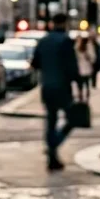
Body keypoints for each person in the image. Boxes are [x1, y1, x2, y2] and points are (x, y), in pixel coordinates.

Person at [31, 13, 81, 170]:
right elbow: (72, 66)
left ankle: (52, 156)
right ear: (65, 23)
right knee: (72, 119)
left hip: (47, 86)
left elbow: (35, 63)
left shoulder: (43, 41)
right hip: (62, 87)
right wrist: (79, 86)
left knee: (51, 121)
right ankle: (53, 146)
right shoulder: (66, 41)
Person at [75, 34, 95, 101]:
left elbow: (92, 58)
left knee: (86, 81)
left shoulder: (89, 46)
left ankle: (87, 93)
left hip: (86, 67)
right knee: (80, 82)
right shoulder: (76, 46)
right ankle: (80, 94)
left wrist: (87, 56)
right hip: (79, 67)